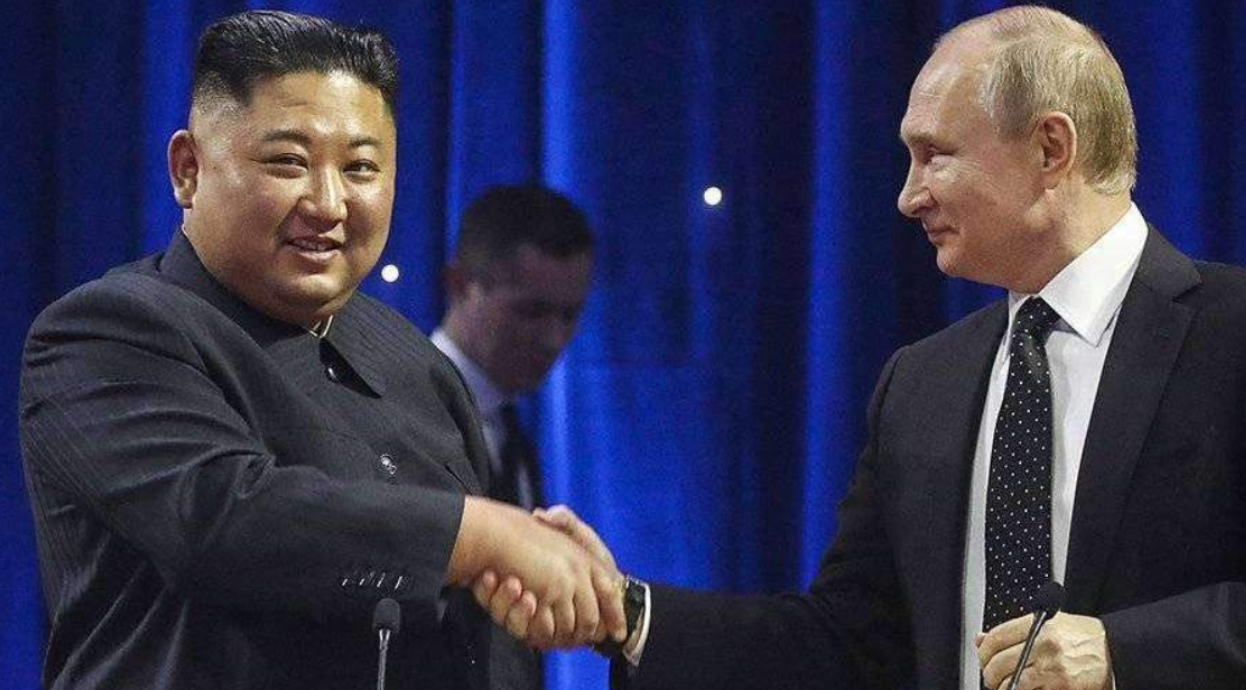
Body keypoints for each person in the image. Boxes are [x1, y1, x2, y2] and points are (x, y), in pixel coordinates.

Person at [476, 6, 1246, 690]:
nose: (909, 196)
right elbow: (845, 644)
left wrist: (1124, 655)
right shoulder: (923, 384)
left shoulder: (1229, 334)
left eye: (935, 154)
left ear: (1050, 148)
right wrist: (626, 611)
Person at [18, 11, 623, 690]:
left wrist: (562, 588)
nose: (329, 203)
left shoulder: (416, 363)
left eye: (361, 167)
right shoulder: (106, 331)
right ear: (188, 170)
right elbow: (222, 520)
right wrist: (481, 536)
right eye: (289, 162)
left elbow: (477, 630)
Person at [432, 185, 594, 689]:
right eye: (532, 311)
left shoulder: (511, 435)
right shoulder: (397, 413)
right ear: (460, 285)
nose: (554, 339)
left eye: (569, 315)